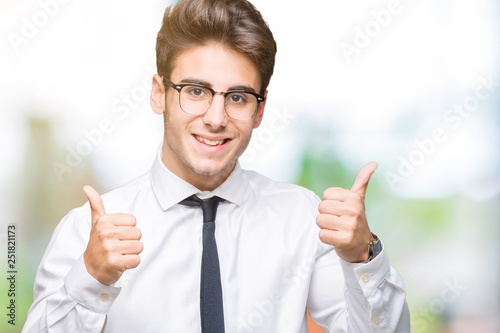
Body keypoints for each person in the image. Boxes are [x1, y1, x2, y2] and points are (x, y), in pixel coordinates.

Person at [23, 0, 411, 332]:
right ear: (159, 94)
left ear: (259, 111)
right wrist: (90, 278)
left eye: (238, 97)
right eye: (196, 91)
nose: (215, 117)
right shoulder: (86, 232)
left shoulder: (303, 219)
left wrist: (364, 255)